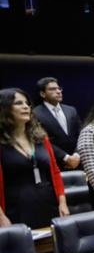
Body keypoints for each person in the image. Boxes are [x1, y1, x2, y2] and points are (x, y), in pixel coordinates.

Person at [0, 88, 68, 228]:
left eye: (27, 103)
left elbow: (55, 172)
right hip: (16, 210)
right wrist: (1, 217)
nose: (26, 106)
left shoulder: (41, 138)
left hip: (49, 205)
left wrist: (62, 203)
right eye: (18, 103)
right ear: (4, 109)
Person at [33, 77, 81, 170]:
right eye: (52, 89)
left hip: (77, 161)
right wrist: (65, 157)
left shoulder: (71, 110)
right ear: (42, 94)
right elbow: (41, 140)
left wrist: (77, 155)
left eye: (59, 88)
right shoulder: (35, 113)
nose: (58, 91)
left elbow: (81, 134)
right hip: (54, 162)